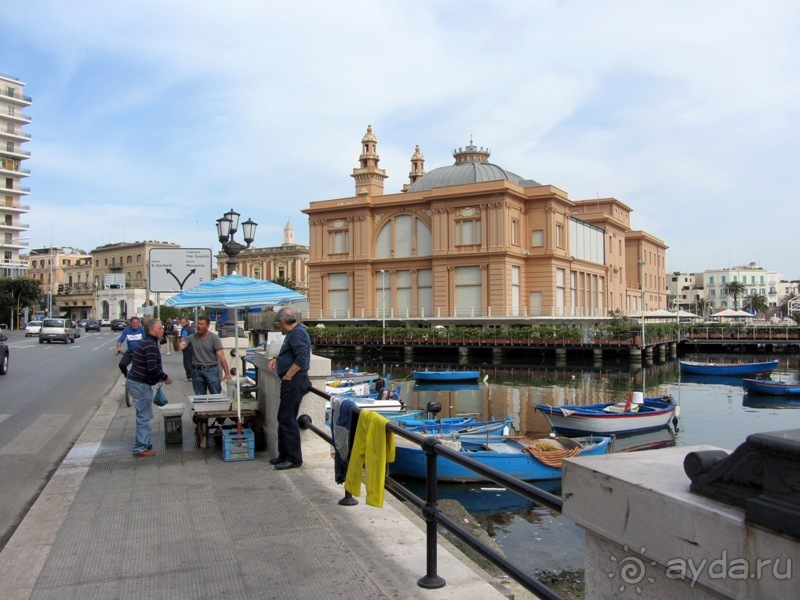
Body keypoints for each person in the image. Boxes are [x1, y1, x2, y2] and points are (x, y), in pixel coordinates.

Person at [267, 307, 311, 470]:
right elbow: (291, 352)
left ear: (283, 321)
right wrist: (276, 357)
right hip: (292, 382)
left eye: (279, 322)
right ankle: (284, 455)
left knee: (287, 419)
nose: (279, 325)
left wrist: (288, 375)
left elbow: (302, 358)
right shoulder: (293, 333)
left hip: (294, 382)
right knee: (283, 417)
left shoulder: (297, 333)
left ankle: (293, 458)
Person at [126, 318, 173, 456]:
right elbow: (152, 367)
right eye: (160, 328)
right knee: (145, 416)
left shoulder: (147, 342)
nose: (162, 330)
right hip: (140, 383)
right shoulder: (150, 345)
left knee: (144, 415)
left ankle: (144, 443)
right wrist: (165, 377)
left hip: (137, 381)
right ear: (151, 330)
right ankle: (140, 447)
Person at [174, 316, 231, 394]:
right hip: (197, 371)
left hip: (212, 370)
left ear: (207, 326)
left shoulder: (214, 338)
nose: (199, 326)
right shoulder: (192, 337)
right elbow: (178, 348)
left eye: (202, 324)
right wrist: (176, 337)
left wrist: (227, 374)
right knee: (200, 398)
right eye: (198, 324)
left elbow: (221, 357)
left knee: (215, 395)